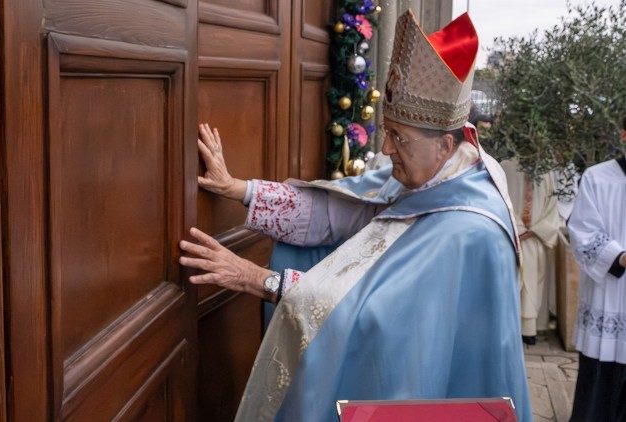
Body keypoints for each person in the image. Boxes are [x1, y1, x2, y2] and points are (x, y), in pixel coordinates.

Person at [180, 10, 531, 421]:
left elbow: (371, 317)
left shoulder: (467, 231)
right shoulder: (428, 174)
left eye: (399, 137)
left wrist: (255, 278)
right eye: (387, 130)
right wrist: (237, 188)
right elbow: (333, 214)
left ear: (447, 144)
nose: (386, 148)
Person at [568, 117, 626, 422]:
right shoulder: (597, 178)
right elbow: (582, 232)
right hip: (610, 294)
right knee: (599, 389)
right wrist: (621, 257)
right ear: (623, 135)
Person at [500, 159, 560, 344]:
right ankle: (510, 329)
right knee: (510, 283)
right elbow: (499, 200)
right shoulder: (504, 167)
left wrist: (535, 228)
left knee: (533, 283)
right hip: (511, 239)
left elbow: (552, 207)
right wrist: (517, 228)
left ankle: (530, 330)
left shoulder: (547, 170)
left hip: (535, 239)